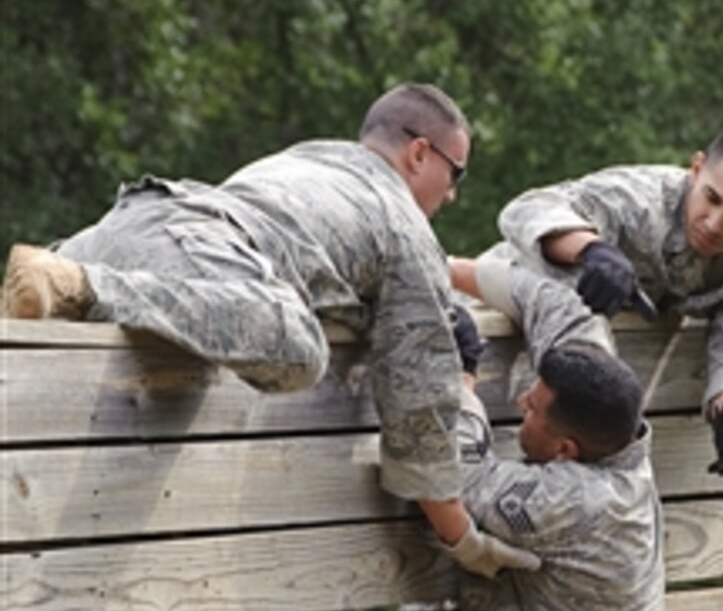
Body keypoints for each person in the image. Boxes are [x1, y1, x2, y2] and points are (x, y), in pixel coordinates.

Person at [0, 83, 538, 578]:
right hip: (186, 255)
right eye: (456, 174)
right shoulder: (404, 224)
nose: (452, 197)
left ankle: (65, 278)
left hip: (130, 222)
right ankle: (82, 286)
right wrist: (464, 540)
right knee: (299, 349)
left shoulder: (312, 158)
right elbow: (419, 409)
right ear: (419, 153)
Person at [489, 123, 723, 502]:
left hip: (573, 419)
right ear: (697, 169)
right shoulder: (639, 199)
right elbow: (524, 209)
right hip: (495, 316)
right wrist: (590, 249)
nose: (716, 224)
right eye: (712, 198)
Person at [448, 255, 666, 611]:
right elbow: (559, 306)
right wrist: (440, 269)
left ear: (566, 450)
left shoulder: (575, 499)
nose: (521, 403)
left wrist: (463, 377)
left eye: (532, 409)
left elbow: (457, 475)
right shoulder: (615, 431)